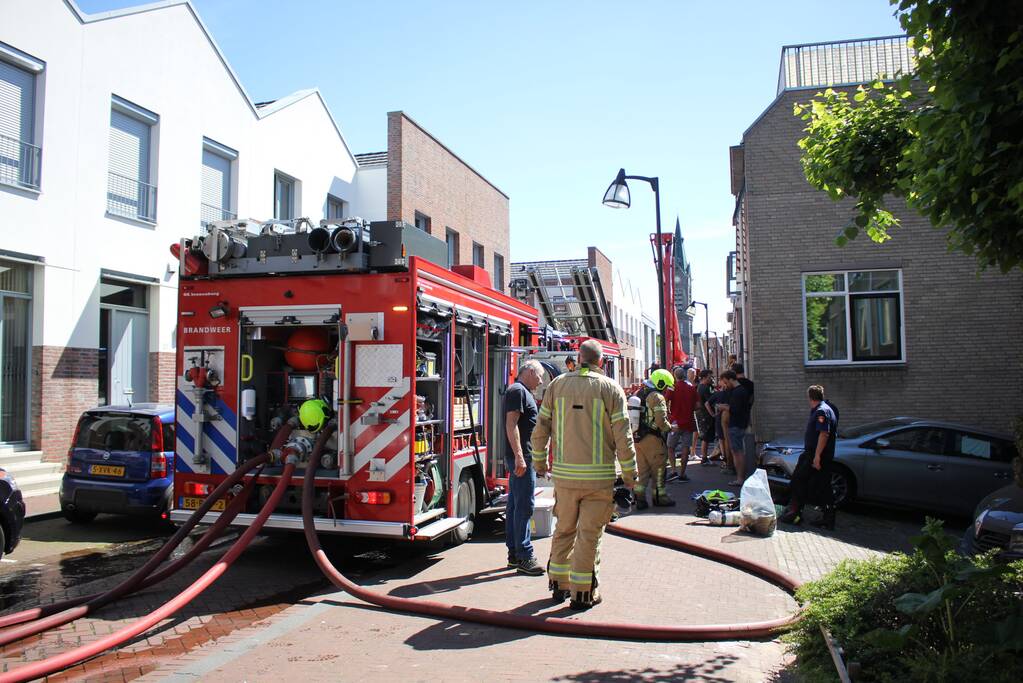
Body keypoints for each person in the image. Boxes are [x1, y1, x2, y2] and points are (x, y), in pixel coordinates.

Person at [530, 339, 637, 610]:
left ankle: (558, 583)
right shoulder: (611, 389)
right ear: (600, 361)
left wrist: (540, 462)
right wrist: (630, 473)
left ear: (579, 359)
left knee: (564, 529)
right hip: (598, 480)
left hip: (564, 479)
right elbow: (623, 436)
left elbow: (541, 427)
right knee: (589, 535)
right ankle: (582, 593)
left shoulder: (557, 385)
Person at [503, 359, 545, 576]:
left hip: (523, 457)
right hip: (522, 458)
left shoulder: (520, 391)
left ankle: (514, 554)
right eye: (539, 376)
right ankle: (524, 555)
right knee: (524, 506)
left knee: (514, 506)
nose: (540, 381)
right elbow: (511, 425)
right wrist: (520, 457)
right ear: (529, 371)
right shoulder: (518, 391)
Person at [779, 385, 839, 529]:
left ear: (810, 397)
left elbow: (824, 434)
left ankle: (795, 513)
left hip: (816, 454)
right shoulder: (827, 408)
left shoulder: (821, 411)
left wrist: (817, 456)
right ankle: (826, 517)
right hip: (815, 454)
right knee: (820, 485)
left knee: (800, 481)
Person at [632, 368, 677, 510]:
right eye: (666, 387)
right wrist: (671, 428)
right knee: (659, 469)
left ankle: (640, 498)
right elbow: (660, 421)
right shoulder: (657, 397)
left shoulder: (639, 393)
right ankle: (660, 497)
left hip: (638, 438)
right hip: (653, 439)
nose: (666, 390)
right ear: (661, 383)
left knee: (642, 471)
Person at [718, 370, 752, 486]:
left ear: (730, 379)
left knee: (737, 452)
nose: (726, 385)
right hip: (739, 424)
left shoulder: (738, 392)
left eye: (726, 382)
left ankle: (740, 478)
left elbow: (735, 409)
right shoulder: (740, 391)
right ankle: (740, 477)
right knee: (737, 451)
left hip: (736, 424)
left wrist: (724, 407)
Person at [665, 366, 698, 482]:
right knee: (685, 447)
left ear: (675, 376)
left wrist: (669, 414)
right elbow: (698, 405)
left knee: (670, 447)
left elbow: (665, 401)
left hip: (675, 422)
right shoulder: (692, 387)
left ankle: (673, 470)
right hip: (688, 422)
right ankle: (683, 473)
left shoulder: (672, 387)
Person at [732, 363, 757, 468]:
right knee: (746, 440)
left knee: (737, 448)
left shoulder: (735, 385)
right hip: (748, 414)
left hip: (736, 418)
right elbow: (752, 398)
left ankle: (738, 468)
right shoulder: (751, 384)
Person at [695, 370, 715, 465]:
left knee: (706, 437)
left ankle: (705, 458)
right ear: (703, 378)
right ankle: (704, 458)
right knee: (706, 438)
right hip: (705, 416)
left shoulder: (702, 386)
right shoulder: (704, 388)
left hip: (703, 415)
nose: (711, 378)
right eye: (709, 377)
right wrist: (712, 414)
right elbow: (707, 403)